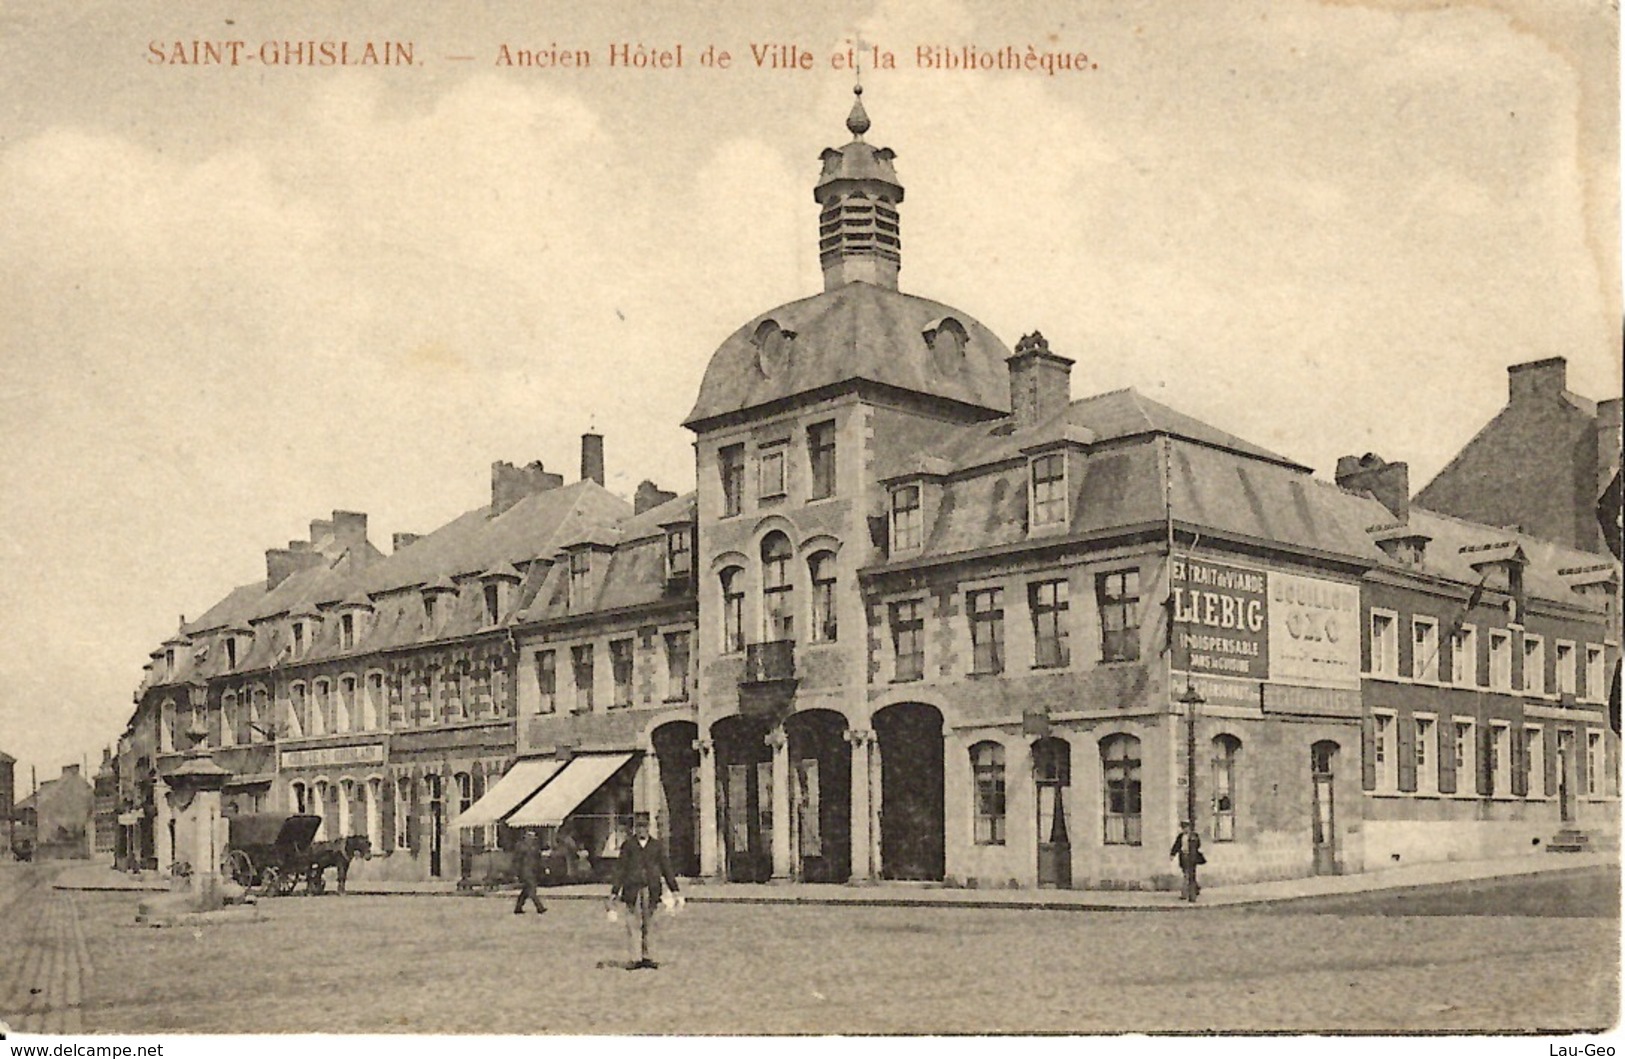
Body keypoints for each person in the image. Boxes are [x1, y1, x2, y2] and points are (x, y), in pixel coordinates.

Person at [608, 812, 681, 969]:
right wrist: (614, 891)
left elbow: (666, 867)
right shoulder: (628, 846)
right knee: (633, 922)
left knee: (651, 922)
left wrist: (674, 889)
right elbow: (620, 869)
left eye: (644, 826)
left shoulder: (656, 846)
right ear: (635, 828)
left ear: (649, 827)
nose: (642, 829)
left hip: (652, 888)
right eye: (639, 826)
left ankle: (649, 956)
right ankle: (635, 957)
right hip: (632, 889)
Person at [512, 830, 547, 915]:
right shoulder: (521, 846)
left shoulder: (535, 847)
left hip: (533, 871)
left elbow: (539, 859)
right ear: (526, 837)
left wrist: (543, 868)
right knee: (532, 889)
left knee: (526, 890)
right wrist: (516, 873)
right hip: (525, 871)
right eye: (531, 837)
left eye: (533, 838)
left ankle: (518, 907)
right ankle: (539, 907)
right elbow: (516, 861)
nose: (532, 839)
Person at [1169, 821, 1205, 902]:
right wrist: (1172, 854)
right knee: (1187, 874)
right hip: (1183, 857)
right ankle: (1195, 889)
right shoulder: (1180, 836)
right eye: (1183, 827)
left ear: (1189, 827)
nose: (1184, 829)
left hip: (1192, 858)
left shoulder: (1194, 836)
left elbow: (1198, 845)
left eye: (1186, 827)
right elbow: (1177, 845)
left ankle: (1186, 895)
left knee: (1188, 875)